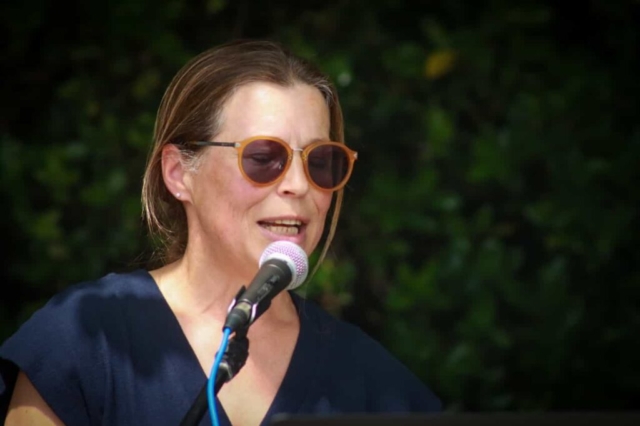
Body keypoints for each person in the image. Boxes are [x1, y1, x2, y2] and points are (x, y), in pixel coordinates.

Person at [0, 39, 441, 425]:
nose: (299, 185)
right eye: (264, 158)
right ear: (179, 173)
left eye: (320, 162)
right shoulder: (85, 339)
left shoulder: (372, 381)